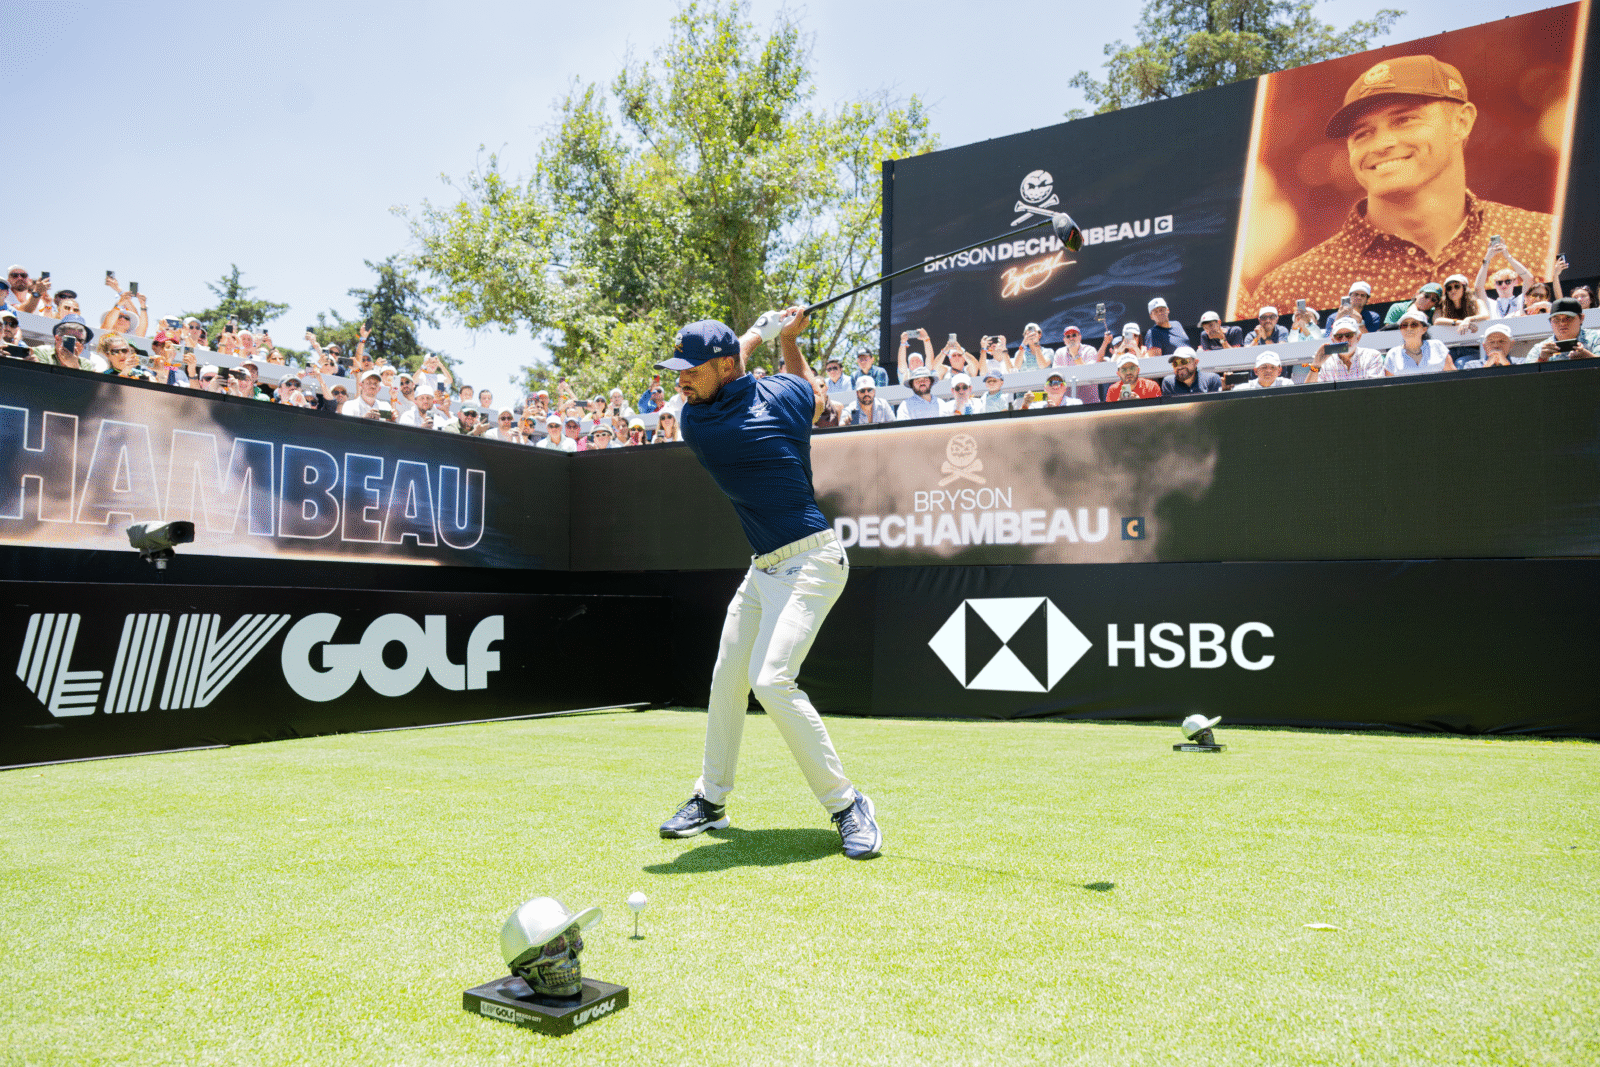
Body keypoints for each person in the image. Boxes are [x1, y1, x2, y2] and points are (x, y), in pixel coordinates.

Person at [654, 310, 881, 859]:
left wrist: (767, 332)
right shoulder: (759, 401)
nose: (681, 382)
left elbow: (755, 363)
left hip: (814, 562)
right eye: (678, 372)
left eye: (691, 371)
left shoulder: (706, 420)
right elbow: (812, 395)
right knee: (728, 678)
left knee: (772, 679)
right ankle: (711, 799)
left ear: (726, 366)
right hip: (764, 568)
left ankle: (848, 804)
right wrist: (789, 341)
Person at [1249, 55, 1554, 312]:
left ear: (1461, 122)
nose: (1381, 144)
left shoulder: (1546, 240)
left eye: (1405, 120)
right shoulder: (1291, 289)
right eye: (1362, 133)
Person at [1304, 317, 1386, 381]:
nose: (1344, 340)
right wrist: (1315, 365)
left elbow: (1375, 389)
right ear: (1333, 340)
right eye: (1339, 336)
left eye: (1348, 335)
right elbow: (1309, 393)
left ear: (1358, 337)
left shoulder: (1372, 356)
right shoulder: (1326, 362)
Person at [1474, 236, 1536, 317]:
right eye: (1499, 282)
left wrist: (1508, 256)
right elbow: (1478, 288)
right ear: (1494, 285)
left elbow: (1529, 279)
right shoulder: (1491, 304)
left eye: (1508, 281)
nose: (1503, 285)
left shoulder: (1521, 300)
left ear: (1515, 282)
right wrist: (1487, 258)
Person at [1384, 308, 1456, 375]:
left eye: (1414, 325)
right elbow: (1389, 382)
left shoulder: (1437, 346)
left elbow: (1453, 375)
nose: (1408, 329)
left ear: (1424, 329)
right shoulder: (1393, 353)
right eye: (1404, 325)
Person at [1530, 297, 1599, 362]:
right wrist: (1541, 359)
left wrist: (1588, 357)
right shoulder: (1540, 348)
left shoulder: (1596, 338)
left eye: (1568, 318)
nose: (1562, 323)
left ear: (1581, 318)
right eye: (1556, 319)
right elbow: (1528, 370)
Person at [1052, 324, 1106, 405]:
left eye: (1074, 335)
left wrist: (1075, 354)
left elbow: (1089, 373)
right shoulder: (1059, 353)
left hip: (1089, 403)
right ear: (1064, 340)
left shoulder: (1089, 350)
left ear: (1080, 337)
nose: (1071, 338)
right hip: (1066, 404)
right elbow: (1056, 377)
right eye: (1068, 336)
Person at [32, 315, 99, 370]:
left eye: (80, 340)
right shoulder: (41, 353)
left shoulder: (86, 364)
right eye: (71, 339)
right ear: (57, 339)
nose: (76, 343)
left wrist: (74, 366)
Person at [1019, 370, 1084, 409]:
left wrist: (1055, 411)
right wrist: (1024, 406)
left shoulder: (1075, 403)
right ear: (1045, 388)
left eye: (1059, 383)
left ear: (1065, 388)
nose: (1055, 386)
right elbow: (1022, 422)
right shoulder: (1036, 406)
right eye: (1051, 383)